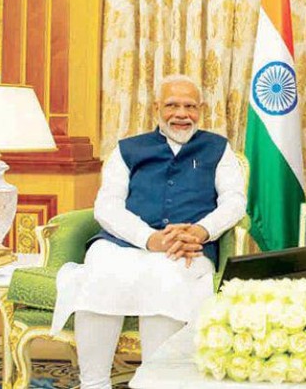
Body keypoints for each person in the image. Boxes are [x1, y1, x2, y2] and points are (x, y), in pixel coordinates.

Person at [51, 75, 247, 389]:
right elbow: (107, 205)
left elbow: (235, 201)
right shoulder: (127, 149)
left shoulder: (218, 148)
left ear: (200, 109)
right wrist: (149, 238)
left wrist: (201, 231)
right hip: (124, 243)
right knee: (101, 273)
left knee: (166, 278)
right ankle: (94, 383)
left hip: (188, 247)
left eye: (190, 106)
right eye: (172, 105)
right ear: (157, 107)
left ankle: (157, 383)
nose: (181, 114)